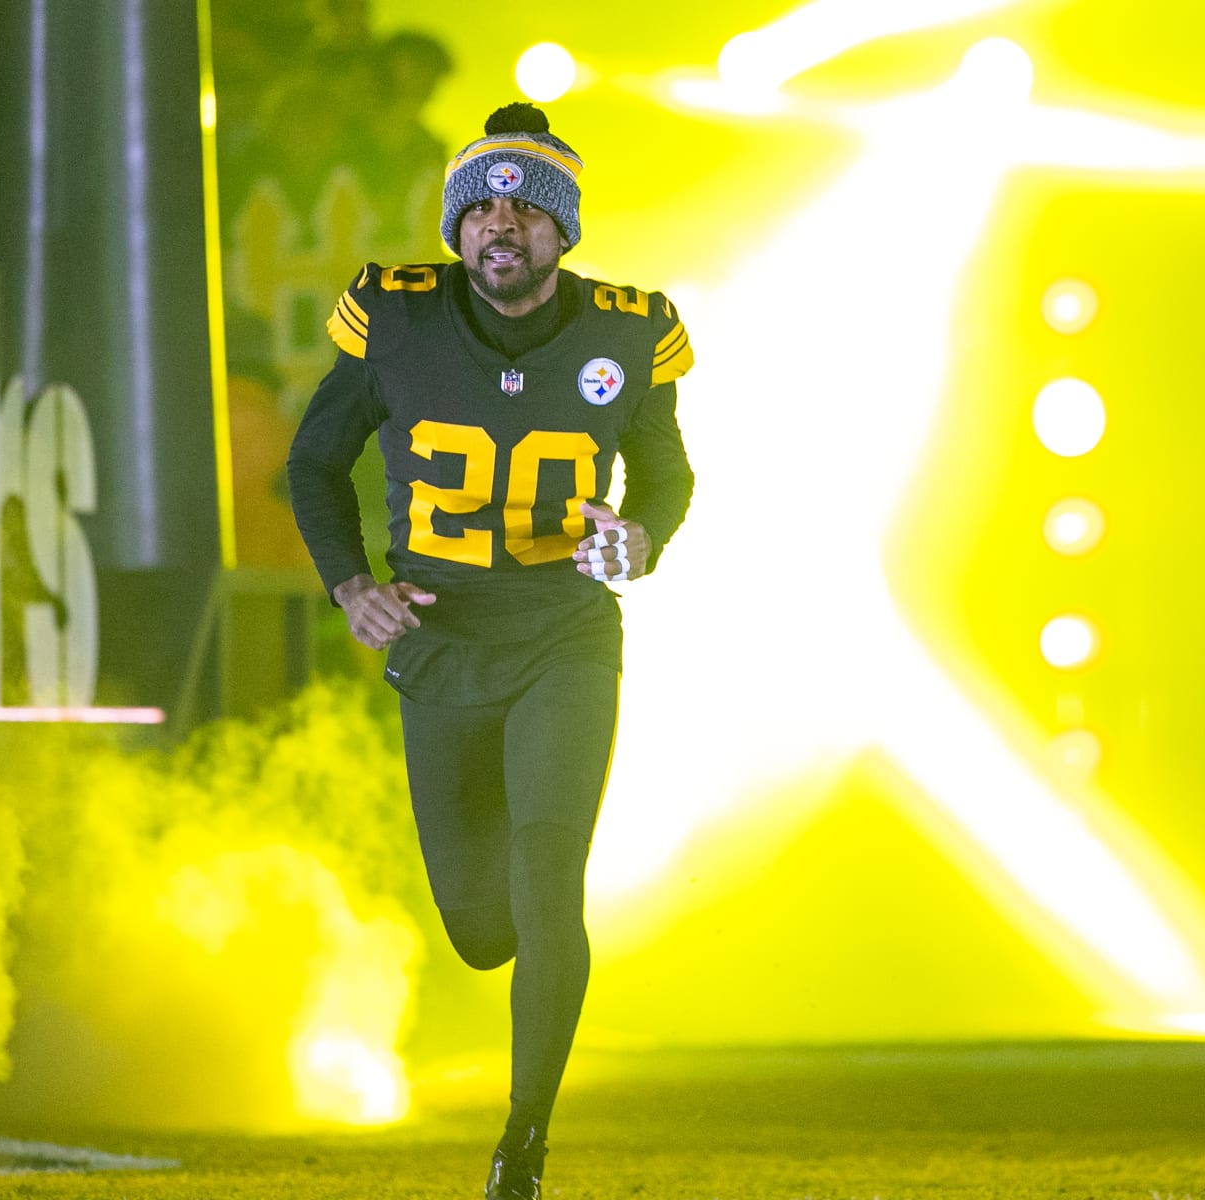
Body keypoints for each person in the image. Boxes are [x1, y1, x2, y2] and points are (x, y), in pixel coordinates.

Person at [287, 101, 694, 1200]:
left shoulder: (628, 329)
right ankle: (517, 970)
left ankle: (525, 1141)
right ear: (457, 228)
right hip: (441, 638)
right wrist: (353, 583)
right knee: (479, 927)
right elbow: (313, 464)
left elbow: (665, 476)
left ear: (562, 233)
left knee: (547, 878)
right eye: (481, 205)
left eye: (525, 206)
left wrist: (639, 538)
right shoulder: (399, 315)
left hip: (563, 630)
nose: (500, 222)